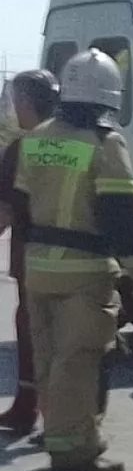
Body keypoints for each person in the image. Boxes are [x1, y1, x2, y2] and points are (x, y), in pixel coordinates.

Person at [14, 49, 133, 471]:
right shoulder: (104, 142)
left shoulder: (37, 137)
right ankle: (75, 454)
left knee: (50, 360)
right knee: (78, 364)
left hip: (38, 269)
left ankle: (62, 442)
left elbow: (21, 205)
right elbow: (121, 216)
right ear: (109, 98)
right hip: (86, 272)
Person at [0, 70, 60, 436]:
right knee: (71, 340)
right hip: (81, 256)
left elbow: (5, 210)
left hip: (32, 255)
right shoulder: (84, 138)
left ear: (24, 102)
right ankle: (68, 416)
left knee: (32, 331)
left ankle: (28, 409)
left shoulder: (24, 147)